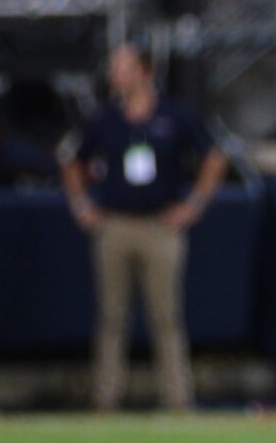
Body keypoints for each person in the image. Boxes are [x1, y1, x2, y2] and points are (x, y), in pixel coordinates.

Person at [62, 44, 226, 414]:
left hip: (160, 225)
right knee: (112, 316)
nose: (115, 74)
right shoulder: (105, 119)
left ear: (144, 71)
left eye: (123, 66)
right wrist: (82, 205)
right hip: (116, 223)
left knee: (165, 316)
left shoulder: (175, 115)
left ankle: (177, 399)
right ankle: (105, 399)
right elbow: (73, 160)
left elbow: (214, 157)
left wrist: (193, 205)